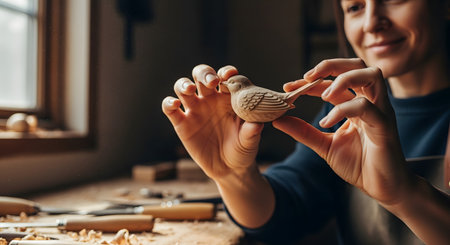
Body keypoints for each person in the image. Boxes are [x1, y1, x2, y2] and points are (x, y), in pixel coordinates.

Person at [162, 0, 450, 244]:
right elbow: (288, 209)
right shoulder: (344, 108)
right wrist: (232, 176)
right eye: (355, 7)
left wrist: (406, 194)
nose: (372, 23)